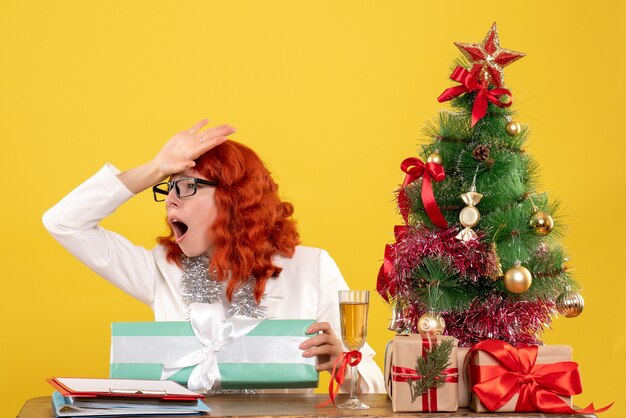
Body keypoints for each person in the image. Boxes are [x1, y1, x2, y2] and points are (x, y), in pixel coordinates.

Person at [43, 119, 384, 393]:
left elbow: (374, 385)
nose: (169, 200)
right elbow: (63, 222)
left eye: (186, 187)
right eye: (167, 187)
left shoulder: (311, 268)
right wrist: (156, 167)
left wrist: (343, 364)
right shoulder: (160, 268)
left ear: (233, 198)